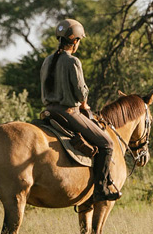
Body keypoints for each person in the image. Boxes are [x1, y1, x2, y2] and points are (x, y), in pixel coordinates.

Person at [40, 18, 120, 202]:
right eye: (79, 40)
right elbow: (81, 91)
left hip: (48, 112)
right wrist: (84, 103)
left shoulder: (47, 61)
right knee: (107, 144)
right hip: (69, 113)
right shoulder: (73, 62)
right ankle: (101, 190)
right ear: (74, 40)